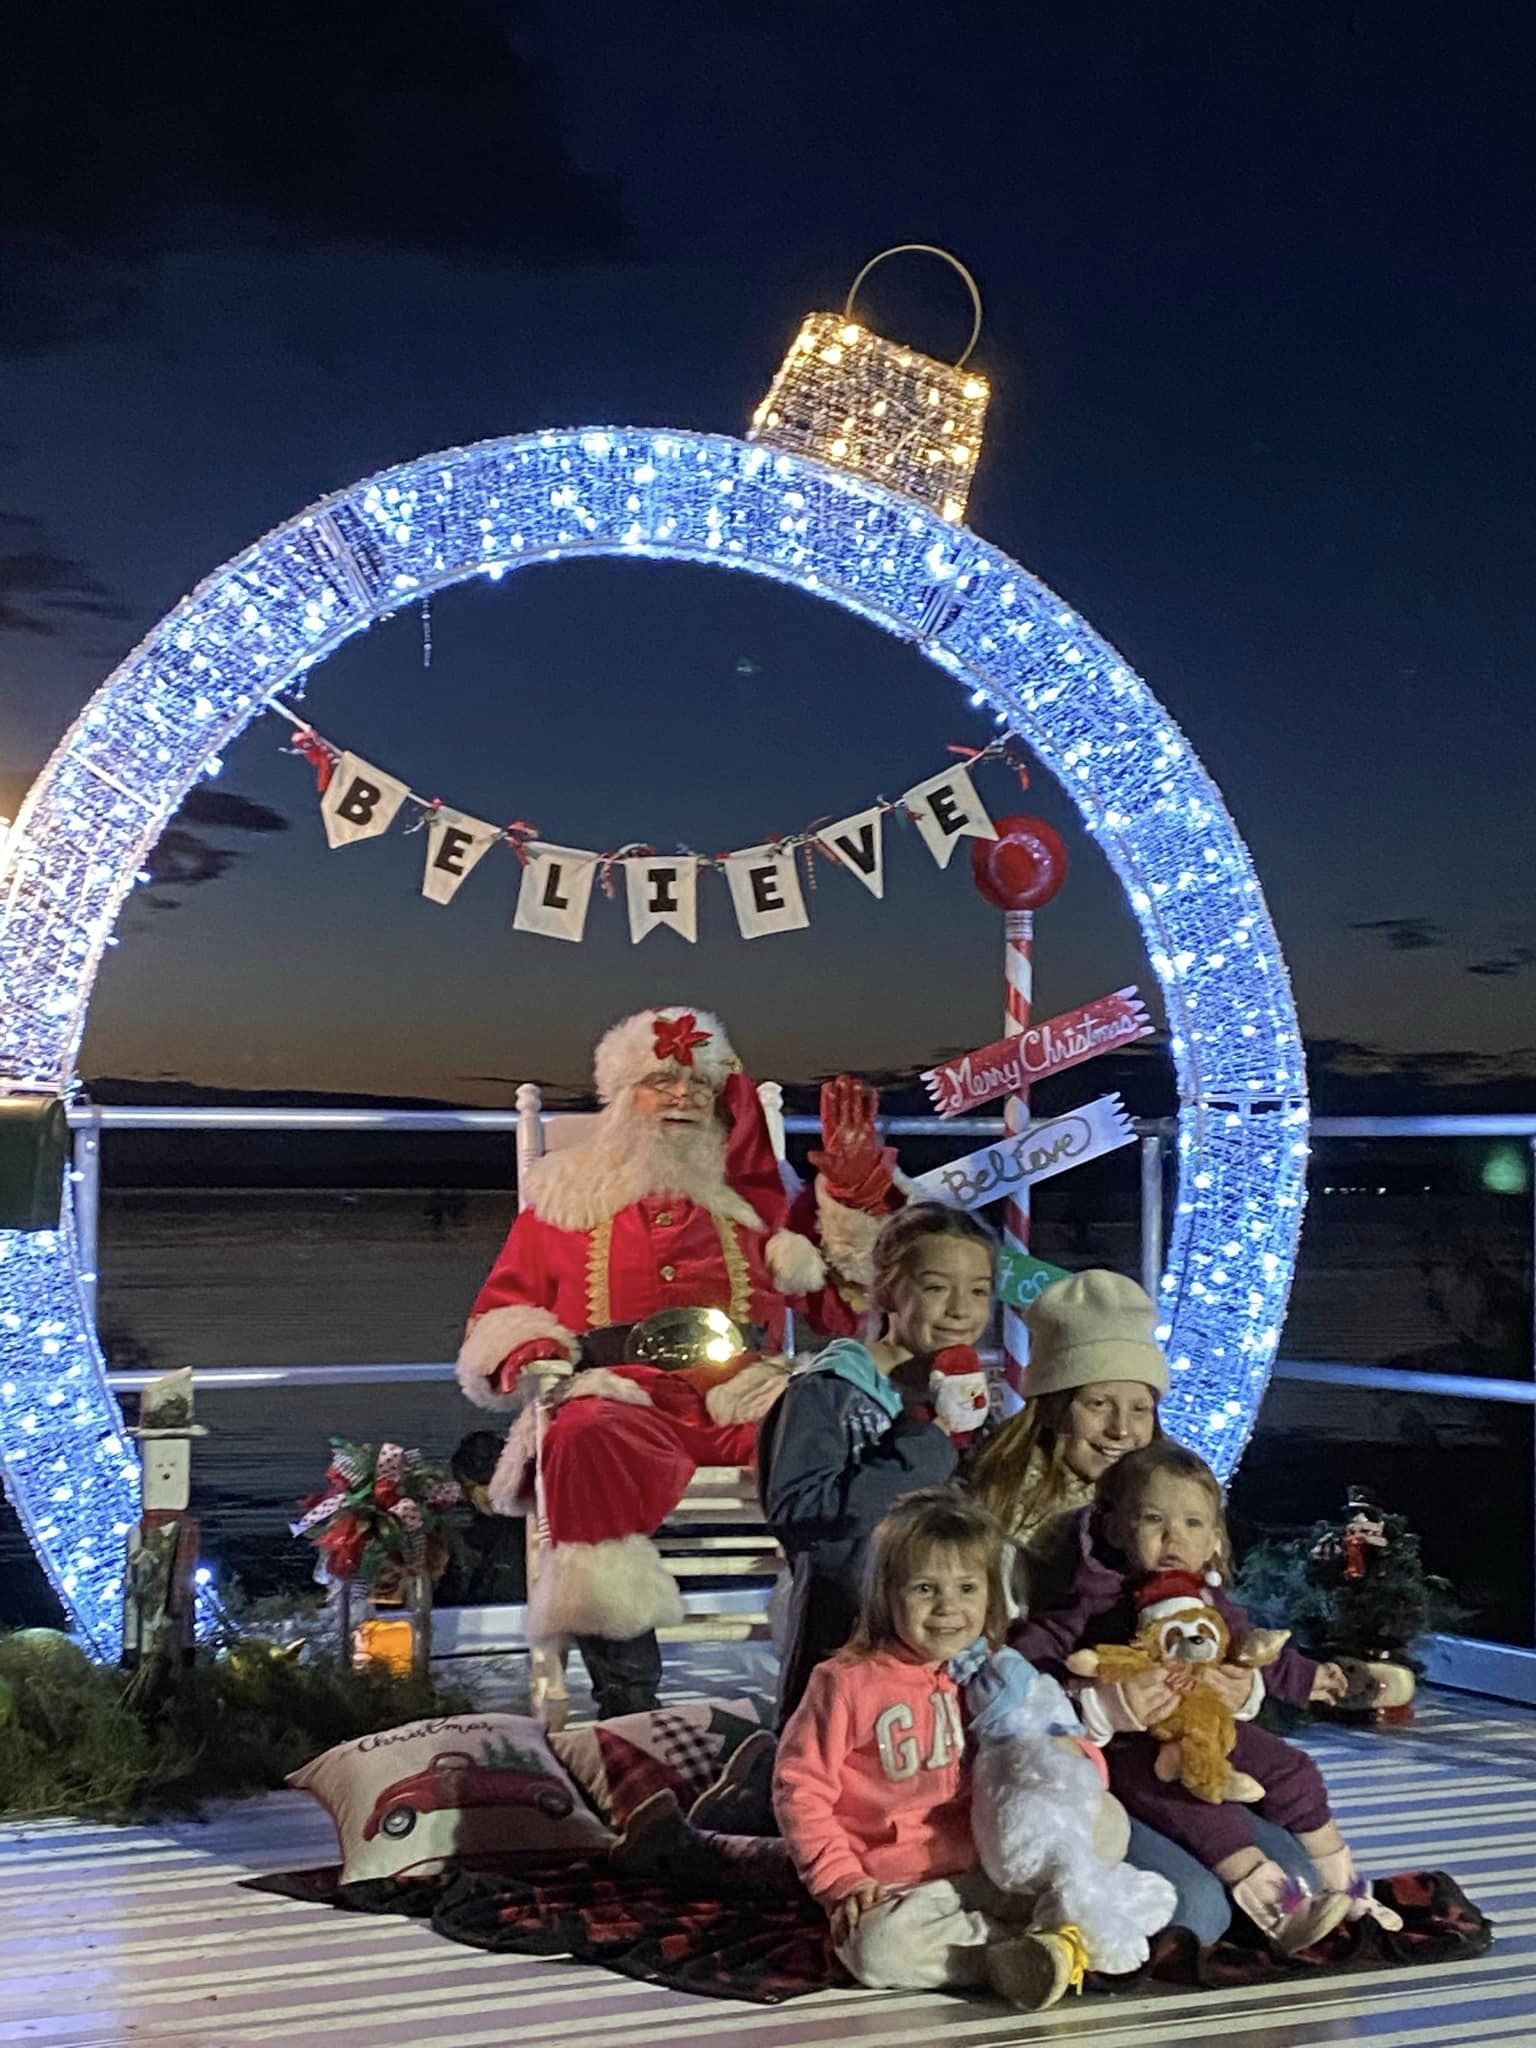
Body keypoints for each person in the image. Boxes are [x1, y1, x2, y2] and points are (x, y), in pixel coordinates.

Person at [456, 1006, 899, 1717]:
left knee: (836, 1444)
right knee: (578, 1434)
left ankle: (836, 1663)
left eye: (696, 1084)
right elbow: (503, 1309)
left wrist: (850, 1204)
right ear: (623, 1097)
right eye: (660, 1082)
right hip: (622, 1395)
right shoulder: (565, 1196)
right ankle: (626, 1699)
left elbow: (849, 1309)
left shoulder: (760, 1196)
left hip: (745, 1390)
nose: (682, 1097)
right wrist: (534, 1351)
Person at [1011, 1440, 1400, 1955]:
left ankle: (1347, 1888)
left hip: (1213, 1727)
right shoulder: (1091, 1604)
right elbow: (1028, 1669)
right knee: (1199, 1805)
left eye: (1193, 1523)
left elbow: (1252, 1651)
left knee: (1294, 1769)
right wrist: (1102, 1699)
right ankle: (1280, 1913)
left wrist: (1308, 1680)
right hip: (1136, 1752)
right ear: (1115, 1528)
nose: (1174, 1537)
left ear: (1213, 1538)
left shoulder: (1208, 1599)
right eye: (1154, 1521)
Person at [772, 1489, 1099, 2011]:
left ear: (991, 1595)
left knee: (1091, 1867)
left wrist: (1074, 1760)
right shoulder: (845, 1682)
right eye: (925, 1588)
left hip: (992, 1868)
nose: (948, 1607)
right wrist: (841, 1880)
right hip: (897, 1886)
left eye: (967, 1587)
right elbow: (800, 1789)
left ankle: (1047, 1943)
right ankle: (1008, 1959)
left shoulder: (999, 1673)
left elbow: (1059, 1739)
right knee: (876, 1952)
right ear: (887, 1595)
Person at [758, 1204, 997, 1725]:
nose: (961, 1310)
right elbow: (800, 1512)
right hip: (847, 1639)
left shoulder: (963, 1393)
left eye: (978, 1291)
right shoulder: (829, 1390)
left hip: (948, 1646)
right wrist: (927, 1448)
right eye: (937, 1288)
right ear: (889, 1289)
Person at [969, 1268, 1164, 1614]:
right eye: (1098, 1404)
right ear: (1053, 1409)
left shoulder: (1177, 1499)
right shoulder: (989, 1497)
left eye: (1140, 1409)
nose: (1120, 1429)